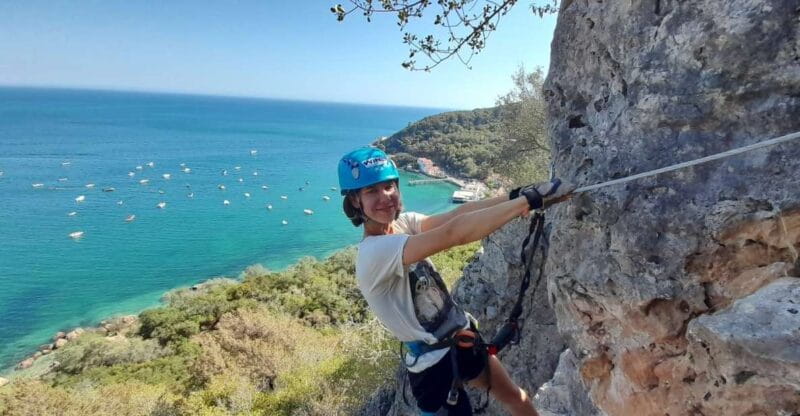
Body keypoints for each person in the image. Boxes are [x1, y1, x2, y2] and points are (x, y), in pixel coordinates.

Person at [338, 147, 572, 416]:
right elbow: (453, 234)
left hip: (460, 338)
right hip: (431, 366)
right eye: (372, 191)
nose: (385, 197)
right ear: (355, 201)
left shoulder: (404, 223)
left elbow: (457, 216)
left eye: (389, 186)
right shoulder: (373, 254)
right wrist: (527, 202)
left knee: (517, 398)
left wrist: (514, 195)